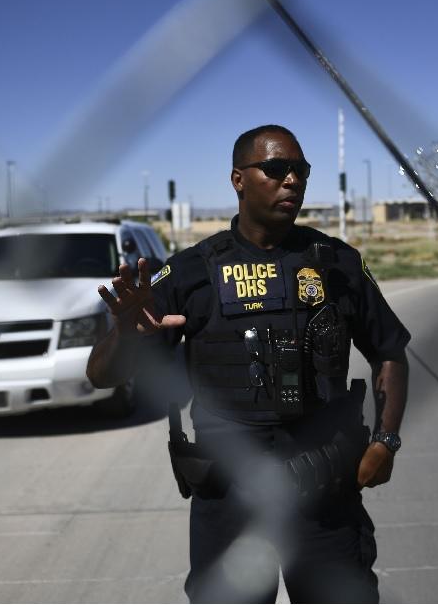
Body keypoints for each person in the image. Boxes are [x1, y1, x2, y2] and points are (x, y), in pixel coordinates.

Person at [87, 124, 410, 603]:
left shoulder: (338, 264)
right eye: (277, 169)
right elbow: (102, 376)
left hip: (325, 495)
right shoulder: (192, 272)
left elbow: (389, 351)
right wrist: (124, 334)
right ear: (238, 179)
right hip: (229, 502)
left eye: (300, 171)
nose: (292, 181)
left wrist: (385, 441)